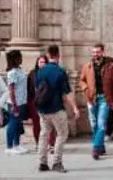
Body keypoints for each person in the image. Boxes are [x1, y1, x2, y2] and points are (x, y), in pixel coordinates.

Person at [35, 44, 80, 173]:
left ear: (48, 55)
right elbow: (67, 93)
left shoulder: (40, 71)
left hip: (43, 109)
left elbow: (38, 89)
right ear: (58, 56)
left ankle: (42, 163)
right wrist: (75, 108)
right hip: (56, 108)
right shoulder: (60, 71)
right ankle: (57, 162)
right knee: (62, 134)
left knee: (44, 134)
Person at [79, 43, 113, 160]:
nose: (95, 54)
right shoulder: (87, 66)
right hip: (92, 98)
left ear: (102, 52)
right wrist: (86, 89)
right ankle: (101, 146)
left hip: (105, 98)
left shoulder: (111, 66)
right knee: (94, 124)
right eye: (94, 52)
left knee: (101, 123)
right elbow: (81, 81)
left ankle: (96, 148)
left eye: (98, 52)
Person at [27, 55, 56, 152]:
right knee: (36, 124)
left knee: (49, 123)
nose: (42, 64)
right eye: (40, 62)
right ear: (37, 63)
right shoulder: (32, 74)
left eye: (44, 62)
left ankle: (51, 144)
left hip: (48, 101)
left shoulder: (51, 73)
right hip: (35, 102)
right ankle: (38, 143)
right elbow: (29, 89)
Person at [5, 50, 29, 155]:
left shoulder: (20, 70)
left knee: (18, 124)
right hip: (15, 102)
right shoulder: (12, 73)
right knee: (12, 124)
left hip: (22, 101)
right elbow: (11, 89)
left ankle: (17, 144)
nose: (21, 59)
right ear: (15, 59)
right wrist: (14, 104)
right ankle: (9, 146)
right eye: (19, 57)